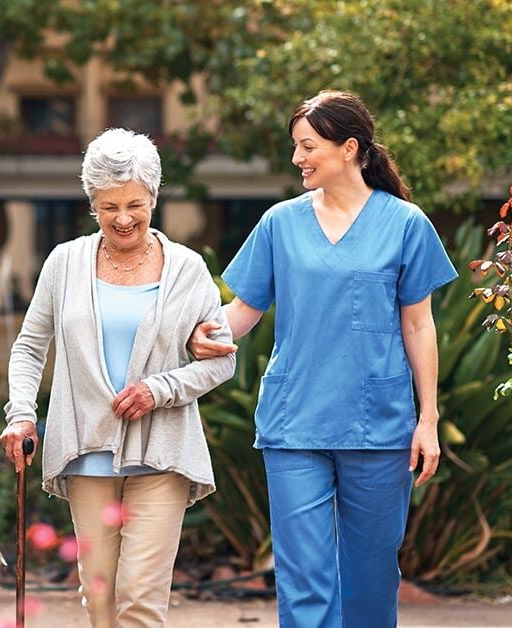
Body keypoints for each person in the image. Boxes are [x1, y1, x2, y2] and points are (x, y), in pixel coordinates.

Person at [188, 90, 458, 627]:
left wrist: (427, 419)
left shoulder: (405, 224)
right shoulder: (279, 224)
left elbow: (418, 323)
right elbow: (245, 309)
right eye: (296, 147)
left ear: (349, 148)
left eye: (307, 146)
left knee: (371, 578)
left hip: (379, 426)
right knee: (303, 580)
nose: (298, 159)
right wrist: (201, 332)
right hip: (296, 423)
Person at [0, 128, 235, 628]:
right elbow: (29, 346)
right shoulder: (65, 263)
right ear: (92, 204)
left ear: (153, 196)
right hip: (86, 451)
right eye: (109, 207)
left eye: (134, 204)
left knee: (140, 600)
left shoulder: (188, 270)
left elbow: (221, 360)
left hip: (162, 451)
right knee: (100, 600)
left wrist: (159, 390)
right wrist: (21, 415)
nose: (123, 218)